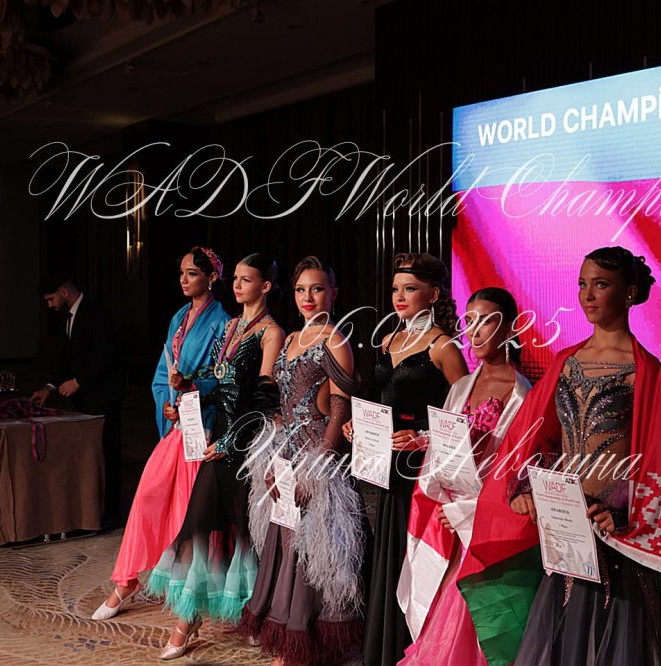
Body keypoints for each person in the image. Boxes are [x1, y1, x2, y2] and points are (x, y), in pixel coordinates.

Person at [458, 247, 661, 666]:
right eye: (583, 284)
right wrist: (523, 487)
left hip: (616, 536)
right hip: (567, 532)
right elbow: (534, 438)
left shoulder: (647, 372)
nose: (587, 294)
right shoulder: (565, 363)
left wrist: (625, 514)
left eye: (601, 284)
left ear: (630, 293)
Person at [147, 253, 285, 660]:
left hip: (246, 444)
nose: (237, 286)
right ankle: (187, 617)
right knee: (198, 525)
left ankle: (251, 615)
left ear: (265, 286)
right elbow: (216, 381)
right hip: (219, 440)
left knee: (244, 533)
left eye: (247, 280)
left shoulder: (271, 333)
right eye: (236, 279)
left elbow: (264, 398)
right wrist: (188, 386)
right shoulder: (229, 326)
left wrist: (230, 442)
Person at [238, 256, 371, 666]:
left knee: (311, 554)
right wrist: (272, 459)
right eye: (300, 289)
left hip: (317, 463)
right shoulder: (293, 336)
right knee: (285, 549)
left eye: (317, 289)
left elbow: (340, 411)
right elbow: (280, 406)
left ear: (333, 293)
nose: (308, 297)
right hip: (287, 457)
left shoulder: (335, 340)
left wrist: (315, 472)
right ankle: (292, 645)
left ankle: (306, 647)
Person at [90, 247, 230, 620]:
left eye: (192, 273)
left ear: (211, 278)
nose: (183, 280)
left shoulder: (222, 323)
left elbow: (222, 379)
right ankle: (126, 580)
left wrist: (189, 390)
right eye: (181, 273)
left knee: (187, 511)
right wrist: (168, 404)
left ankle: (190, 595)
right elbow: (162, 373)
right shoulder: (178, 318)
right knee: (148, 498)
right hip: (177, 425)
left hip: (202, 426)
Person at [397, 287, 532, 666]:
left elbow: (519, 476)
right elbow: (445, 448)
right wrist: (425, 444)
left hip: (481, 523)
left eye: (487, 321)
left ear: (511, 328)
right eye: (469, 321)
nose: (475, 331)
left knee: (473, 625)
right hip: (448, 519)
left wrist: (468, 510)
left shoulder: (523, 397)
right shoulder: (459, 388)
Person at [347, 252, 468, 666]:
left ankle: (414, 648)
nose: (399, 296)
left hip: (423, 467)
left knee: (414, 552)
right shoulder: (387, 340)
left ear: (433, 295)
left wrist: (423, 437)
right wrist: (358, 424)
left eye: (410, 289)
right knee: (390, 548)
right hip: (387, 465)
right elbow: (380, 402)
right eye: (396, 289)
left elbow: (465, 415)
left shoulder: (443, 346)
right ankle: (386, 648)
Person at [32, 273, 125, 530]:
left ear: (64, 292)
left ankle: (111, 513)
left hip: (104, 397)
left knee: (107, 454)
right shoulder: (69, 317)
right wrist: (49, 387)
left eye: (51, 299)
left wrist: (79, 381)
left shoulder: (96, 313)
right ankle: (90, 510)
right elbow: (67, 358)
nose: (50, 305)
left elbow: (107, 355)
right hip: (85, 400)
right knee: (88, 457)